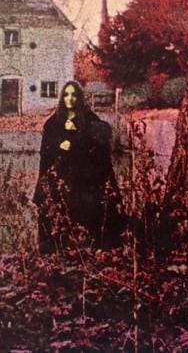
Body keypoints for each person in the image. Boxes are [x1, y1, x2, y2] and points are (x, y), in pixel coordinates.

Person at [33, 81, 124, 252]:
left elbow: (98, 149)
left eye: (74, 95)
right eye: (66, 95)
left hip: (83, 179)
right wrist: (59, 146)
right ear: (62, 98)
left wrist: (76, 139)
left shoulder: (89, 120)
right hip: (60, 177)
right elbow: (45, 153)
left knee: (85, 214)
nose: (70, 98)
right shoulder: (53, 122)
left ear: (79, 97)